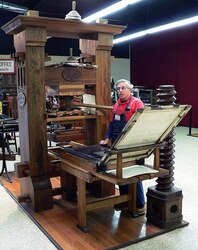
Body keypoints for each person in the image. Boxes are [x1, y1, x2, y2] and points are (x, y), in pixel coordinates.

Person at [100, 79, 145, 216]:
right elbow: (112, 124)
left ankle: (139, 205)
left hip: (131, 144)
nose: (120, 90)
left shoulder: (136, 103)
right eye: (118, 88)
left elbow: (141, 125)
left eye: (123, 88)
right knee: (119, 171)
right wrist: (107, 139)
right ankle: (125, 200)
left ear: (130, 90)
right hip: (117, 143)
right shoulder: (116, 105)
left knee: (133, 173)